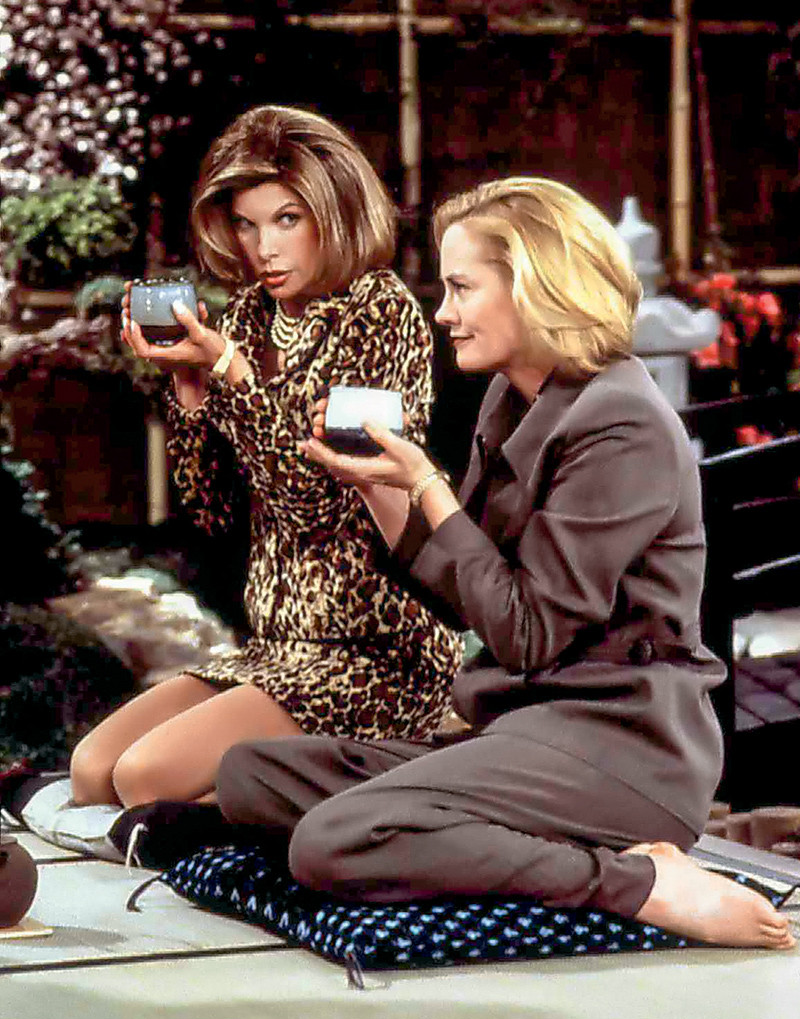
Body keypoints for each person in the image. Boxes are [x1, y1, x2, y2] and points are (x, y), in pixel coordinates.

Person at [216, 176, 794, 950]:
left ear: (536, 287)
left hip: (623, 749)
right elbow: (472, 595)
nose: (443, 312)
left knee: (332, 840)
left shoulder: (622, 422)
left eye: (461, 287)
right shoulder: (513, 398)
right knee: (250, 775)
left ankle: (640, 882)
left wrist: (427, 483)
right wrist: (382, 488)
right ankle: (491, 837)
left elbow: (527, 632)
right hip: (524, 727)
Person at [68, 104, 463, 814]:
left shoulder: (381, 312)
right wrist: (192, 389)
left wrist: (233, 374)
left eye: (286, 220)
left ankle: (346, 791)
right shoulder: (249, 316)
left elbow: (317, 502)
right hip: (277, 647)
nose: (264, 249)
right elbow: (213, 512)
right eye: (247, 225)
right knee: (92, 770)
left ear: (333, 213)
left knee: (145, 780)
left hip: (374, 651)